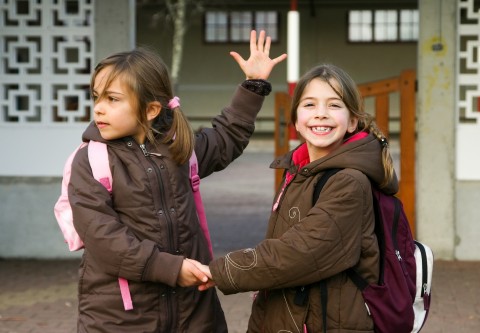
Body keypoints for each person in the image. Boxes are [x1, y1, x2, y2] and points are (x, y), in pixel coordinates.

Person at [67, 30, 286, 333]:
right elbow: (104, 239)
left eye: (112, 99)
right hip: (120, 317)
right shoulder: (90, 160)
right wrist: (172, 269)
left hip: (192, 312)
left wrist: (254, 86)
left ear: (151, 109)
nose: (99, 108)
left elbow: (226, 138)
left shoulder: (177, 147)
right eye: (96, 97)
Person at [201, 64, 398, 332]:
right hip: (292, 313)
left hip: (326, 321)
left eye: (334, 105)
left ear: (352, 121)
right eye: (309, 104)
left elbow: (299, 252)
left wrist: (221, 271)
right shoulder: (299, 170)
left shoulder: (349, 181)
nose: (321, 114)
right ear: (295, 118)